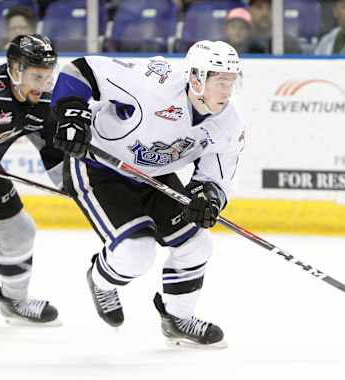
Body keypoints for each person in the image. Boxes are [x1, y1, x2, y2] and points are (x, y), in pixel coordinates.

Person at [50, 40, 245, 347]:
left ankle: (177, 318)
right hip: (99, 167)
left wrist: (207, 197)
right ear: (196, 78)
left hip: (153, 176)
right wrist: (72, 114)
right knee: (134, 255)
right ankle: (101, 280)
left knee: (197, 245)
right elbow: (81, 70)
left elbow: (215, 176)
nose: (227, 91)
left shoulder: (228, 123)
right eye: (220, 82)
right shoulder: (154, 83)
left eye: (231, 82)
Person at [0, 34, 62, 325]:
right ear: (15, 69)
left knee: (20, 231)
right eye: (37, 76)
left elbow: (53, 150)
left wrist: (76, 188)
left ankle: (14, 301)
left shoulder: (43, 102)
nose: (43, 84)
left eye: (47, 76)